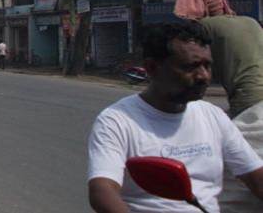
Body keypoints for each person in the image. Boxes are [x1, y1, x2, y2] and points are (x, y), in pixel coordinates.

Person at [88, 21, 263, 212]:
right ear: (152, 68)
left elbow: (254, 175)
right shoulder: (116, 121)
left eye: (207, 66)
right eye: (191, 67)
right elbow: (102, 191)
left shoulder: (212, 116)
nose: (203, 76)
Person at [174, 0, 263, 211]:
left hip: (250, 100)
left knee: (233, 187)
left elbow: (191, 66)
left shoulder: (204, 28)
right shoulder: (250, 21)